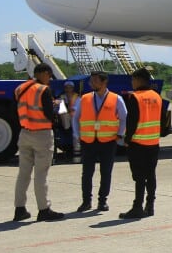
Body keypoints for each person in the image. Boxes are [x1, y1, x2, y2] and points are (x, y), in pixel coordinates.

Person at [12, 63, 65, 222]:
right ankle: (44, 209)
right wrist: (55, 106)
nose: (49, 79)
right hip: (41, 133)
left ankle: (19, 209)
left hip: (25, 132)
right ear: (45, 73)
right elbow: (49, 114)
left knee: (23, 173)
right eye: (49, 75)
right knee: (41, 174)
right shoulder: (43, 90)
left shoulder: (20, 88)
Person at [74, 71, 127, 213]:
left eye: (95, 81)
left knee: (106, 172)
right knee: (87, 173)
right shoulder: (84, 98)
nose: (92, 83)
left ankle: (102, 201)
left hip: (108, 141)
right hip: (88, 141)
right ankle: (86, 201)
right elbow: (75, 118)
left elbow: (124, 118)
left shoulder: (116, 99)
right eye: (91, 81)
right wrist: (77, 134)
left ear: (104, 82)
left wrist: (120, 134)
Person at [120, 68, 164, 219]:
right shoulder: (156, 96)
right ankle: (150, 206)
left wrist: (127, 139)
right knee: (150, 175)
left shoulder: (136, 97)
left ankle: (137, 206)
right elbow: (163, 120)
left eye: (133, 79)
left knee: (139, 177)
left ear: (139, 80)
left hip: (138, 143)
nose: (132, 82)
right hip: (153, 142)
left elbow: (132, 121)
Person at [54, 80, 80, 160]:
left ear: (73, 88)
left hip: (75, 117)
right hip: (66, 118)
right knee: (64, 113)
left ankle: (77, 155)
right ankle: (67, 126)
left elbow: (78, 107)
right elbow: (60, 109)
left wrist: (71, 109)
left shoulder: (77, 97)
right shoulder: (61, 97)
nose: (68, 89)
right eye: (66, 87)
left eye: (70, 87)